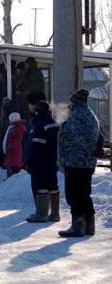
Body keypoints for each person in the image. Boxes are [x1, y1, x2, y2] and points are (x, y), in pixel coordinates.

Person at [58, 89, 103, 237]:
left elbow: (80, 138)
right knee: (84, 193)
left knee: (74, 194)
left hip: (76, 161)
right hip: (88, 162)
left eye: (72, 101)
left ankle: (78, 226)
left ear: (75, 101)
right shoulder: (91, 115)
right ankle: (89, 225)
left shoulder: (76, 117)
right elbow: (100, 138)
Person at [25, 101, 60, 223]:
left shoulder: (39, 123)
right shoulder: (54, 122)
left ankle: (41, 213)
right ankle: (55, 213)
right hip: (53, 160)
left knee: (39, 185)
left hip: (40, 161)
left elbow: (37, 144)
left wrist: (30, 160)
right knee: (53, 185)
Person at [3, 112, 26, 178]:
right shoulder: (13, 128)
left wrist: (10, 147)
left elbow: (16, 141)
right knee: (10, 166)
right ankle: (10, 179)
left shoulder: (17, 129)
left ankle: (11, 180)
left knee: (13, 168)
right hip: (13, 153)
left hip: (15, 153)